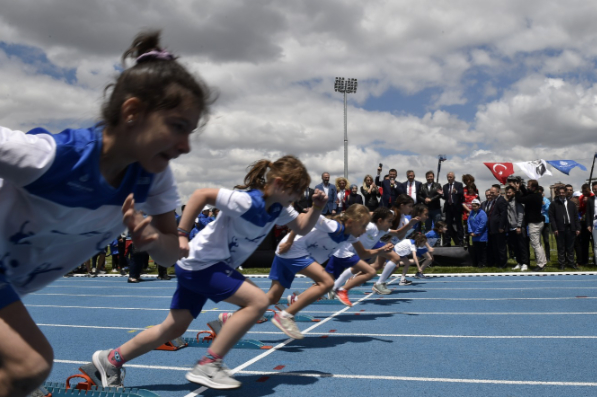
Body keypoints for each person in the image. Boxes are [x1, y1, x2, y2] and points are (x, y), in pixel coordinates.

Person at [0, 30, 213, 397]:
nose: (186, 146)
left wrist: (152, 240)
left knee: (26, 370)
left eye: (191, 132)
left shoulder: (153, 177)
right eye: (178, 127)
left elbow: (174, 251)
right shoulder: (50, 158)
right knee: (29, 363)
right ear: (132, 112)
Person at [91, 156, 328, 390]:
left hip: (200, 266)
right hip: (202, 264)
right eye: (295, 190)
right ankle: (209, 364)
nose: (298, 197)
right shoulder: (246, 201)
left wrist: (317, 207)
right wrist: (182, 234)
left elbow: (304, 226)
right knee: (258, 301)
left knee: (173, 328)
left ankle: (111, 360)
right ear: (277, 184)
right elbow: (200, 194)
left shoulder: (279, 208)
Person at [268, 204, 370, 338]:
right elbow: (303, 216)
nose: (365, 230)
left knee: (273, 297)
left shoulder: (349, 236)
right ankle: (286, 316)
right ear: (351, 222)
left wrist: (382, 250)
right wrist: (289, 241)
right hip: (293, 249)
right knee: (327, 282)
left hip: (287, 253)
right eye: (363, 226)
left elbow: (362, 253)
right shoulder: (333, 226)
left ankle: (237, 316)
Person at [327, 207, 396, 302]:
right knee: (323, 282)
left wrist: (382, 249)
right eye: (390, 221)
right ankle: (340, 289)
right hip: (343, 253)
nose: (363, 231)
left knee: (325, 282)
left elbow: (364, 253)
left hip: (350, 253)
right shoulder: (370, 227)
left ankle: (336, 289)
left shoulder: (380, 229)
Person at [371, 194, 420, 292]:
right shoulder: (392, 213)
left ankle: (354, 276)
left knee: (378, 265)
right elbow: (373, 215)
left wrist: (407, 227)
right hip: (376, 240)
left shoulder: (405, 219)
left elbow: (399, 236)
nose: (411, 209)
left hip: (384, 242)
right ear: (402, 205)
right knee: (395, 259)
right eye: (409, 206)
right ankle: (379, 283)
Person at [514, 180, 548, 271]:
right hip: (538, 222)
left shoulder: (533, 197)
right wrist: (521, 186)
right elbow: (526, 193)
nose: (527, 187)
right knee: (539, 244)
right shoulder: (537, 195)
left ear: (533, 188)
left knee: (536, 244)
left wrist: (517, 190)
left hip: (534, 223)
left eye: (529, 186)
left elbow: (520, 199)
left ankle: (541, 264)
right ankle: (543, 261)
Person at [549, 186, 580, 271]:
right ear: (557, 193)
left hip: (571, 227)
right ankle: (562, 264)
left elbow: (575, 216)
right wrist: (555, 228)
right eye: (560, 193)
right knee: (561, 247)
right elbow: (551, 217)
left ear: (566, 193)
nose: (562, 194)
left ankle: (571, 263)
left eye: (563, 192)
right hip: (560, 228)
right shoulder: (554, 204)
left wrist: (577, 228)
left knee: (570, 247)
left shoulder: (571, 204)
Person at [504, 186, 528, 271]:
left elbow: (521, 213)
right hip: (511, 228)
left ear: (514, 192)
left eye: (510, 192)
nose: (508, 194)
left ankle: (525, 263)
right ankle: (519, 262)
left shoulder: (517, 201)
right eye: (507, 192)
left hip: (518, 227)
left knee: (522, 246)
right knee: (515, 247)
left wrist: (519, 226)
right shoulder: (508, 202)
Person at [484, 187, 508, 268]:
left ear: (498, 192)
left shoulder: (501, 200)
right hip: (493, 228)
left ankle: (503, 264)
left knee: (501, 247)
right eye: (490, 192)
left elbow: (503, 214)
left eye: (493, 193)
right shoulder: (494, 201)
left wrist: (501, 226)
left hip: (499, 228)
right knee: (495, 247)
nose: (491, 194)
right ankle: (497, 262)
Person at [442, 172, 464, 246]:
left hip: (456, 207)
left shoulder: (459, 184)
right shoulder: (445, 186)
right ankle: (447, 241)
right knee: (448, 225)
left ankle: (461, 240)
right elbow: (445, 197)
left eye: (450, 177)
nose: (449, 179)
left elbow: (461, 193)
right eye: (448, 177)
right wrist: (441, 194)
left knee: (459, 225)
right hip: (448, 207)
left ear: (454, 178)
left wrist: (456, 192)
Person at [467, 199, 488, 268]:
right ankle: (477, 262)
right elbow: (468, 222)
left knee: (482, 250)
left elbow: (482, 224)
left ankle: (483, 263)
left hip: (481, 236)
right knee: (476, 250)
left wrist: (476, 232)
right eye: (473, 206)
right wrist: (470, 231)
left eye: (475, 206)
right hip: (474, 236)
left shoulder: (482, 214)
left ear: (479, 206)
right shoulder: (471, 212)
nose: (474, 208)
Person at [462, 183, 479, 249]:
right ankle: (466, 243)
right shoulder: (465, 195)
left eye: (471, 188)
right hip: (466, 215)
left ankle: (475, 243)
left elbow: (478, 205)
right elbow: (463, 204)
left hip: (474, 215)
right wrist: (469, 210)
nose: (470, 189)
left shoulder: (476, 196)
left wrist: (471, 212)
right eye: (469, 188)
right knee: (466, 230)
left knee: (474, 229)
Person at [538, 186, 552, 263]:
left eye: (540, 192)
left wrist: (543, 202)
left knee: (546, 240)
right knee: (538, 241)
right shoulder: (535, 200)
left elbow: (548, 209)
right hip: (537, 222)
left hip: (545, 222)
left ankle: (548, 256)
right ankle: (539, 257)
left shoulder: (546, 200)